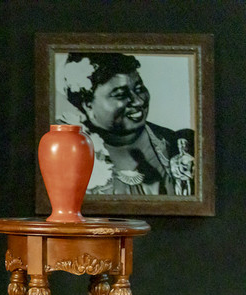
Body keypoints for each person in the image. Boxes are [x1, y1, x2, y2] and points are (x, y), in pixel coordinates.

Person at [58, 52, 195, 195]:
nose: (138, 101)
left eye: (139, 89)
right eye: (120, 95)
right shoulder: (65, 158)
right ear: (88, 105)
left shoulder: (181, 146)